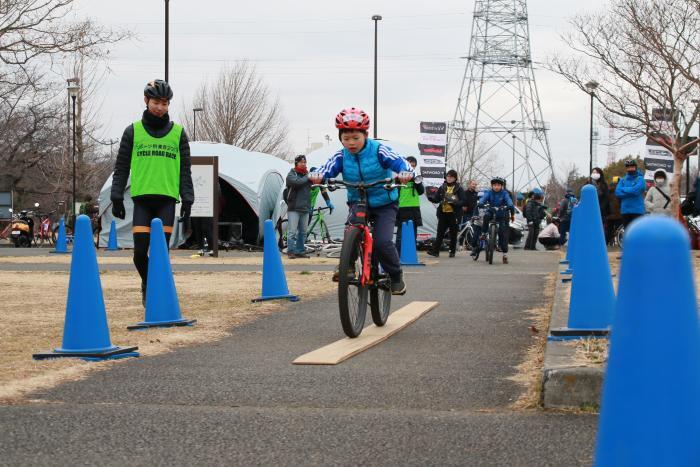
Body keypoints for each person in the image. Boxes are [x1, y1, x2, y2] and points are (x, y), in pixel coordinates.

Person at [309, 107, 413, 295]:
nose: (351, 143)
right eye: (346, 138)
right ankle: (347, 267)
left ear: (365, 134)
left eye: (355, 138)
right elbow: (326, 168)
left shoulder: (379, 150)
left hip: (384, 203)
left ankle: (396, 275)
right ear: (340, 137)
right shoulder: (341, 156)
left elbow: (399, 161)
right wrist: (318, 175)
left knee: (382, 242)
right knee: (351, 228)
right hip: (358, 200)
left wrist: (406, 172)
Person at [110, 79, 194, 306]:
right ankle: (149, 283)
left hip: (166, 200)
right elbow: (121, 166)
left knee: (161, 253)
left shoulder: (178, 133)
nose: (160, 107)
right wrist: (116, 195)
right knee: (139, 254)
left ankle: (156, 292)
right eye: (156, 102)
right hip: (142, 201)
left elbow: (185, 170)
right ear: (146, 101)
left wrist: (188, 199)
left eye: (165, 103)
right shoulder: (133, 131)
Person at [476, 177, 515, 263]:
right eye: (494, 185)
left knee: (503, 233)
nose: (496, 187)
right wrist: (481, 203)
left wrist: (509, 205)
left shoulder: (505, 193)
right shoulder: (489, 193)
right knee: (486, 216)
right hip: (491, 212)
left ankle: (505, 254)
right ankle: (483, 233)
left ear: (501, 186)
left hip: (502, 214)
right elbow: (483, 199)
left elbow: (509, 201)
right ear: (492, 186)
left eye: (498, 185)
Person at [426, 169, 465, 258]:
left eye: (451, 177)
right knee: (440, 233)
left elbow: (463, 201)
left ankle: (452, 251)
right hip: (443, 213)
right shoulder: (442, 187)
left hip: (454, 214)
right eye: (448, 176)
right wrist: (430, 197)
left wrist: (454, 202)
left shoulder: (459, 188)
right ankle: (436, 251)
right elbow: (436, 199)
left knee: (453, 233)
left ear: (455, 178)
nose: (449, 178)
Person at [395, 156, 425, 254]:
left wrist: (416, 181)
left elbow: (421, 191)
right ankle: (398, 255)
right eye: (409, 165)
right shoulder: (399, 178)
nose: (410, 168)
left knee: (413, 234)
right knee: (400, 234)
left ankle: (410, 255)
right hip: (402, 208)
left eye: (413, 166)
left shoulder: (416, 178)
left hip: (414, 208)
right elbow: (393, 192)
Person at [285, 155, 312, 259]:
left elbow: (312, 186)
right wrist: (307, 176)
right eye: (301, 162)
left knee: (303, 232)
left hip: (305, 207)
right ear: (296, 163)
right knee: (292, 231)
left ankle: (300, 251)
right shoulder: (291, 174)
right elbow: (297, 182)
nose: (303, 164)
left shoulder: (307, 175)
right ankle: (290, 251)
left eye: (305, 162)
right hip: (294, 207)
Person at [614, 159, 646, 231]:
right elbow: (617, 192)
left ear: (635, 167)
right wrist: (631, 190)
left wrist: (624, 189)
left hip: (638, 211)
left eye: (632, 167)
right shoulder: (622, 180)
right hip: (625, 211)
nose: (630, 168)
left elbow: (636, 191)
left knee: (638, 233)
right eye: (628, 167)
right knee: (627, 233)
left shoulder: (640, 179)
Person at [606, 176, 622, 245]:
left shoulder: (608, 189)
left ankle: (606, 244)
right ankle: (620, 244)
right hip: (619, 214)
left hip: (609, 215)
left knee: (609, 231)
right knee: (619, 231)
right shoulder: (620, 189)